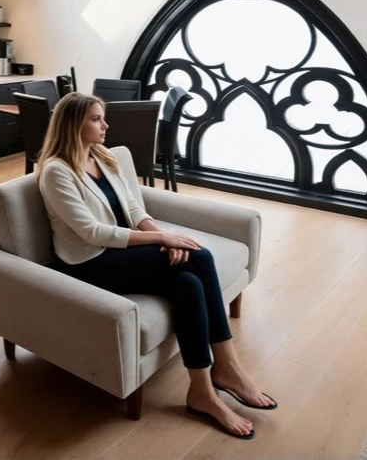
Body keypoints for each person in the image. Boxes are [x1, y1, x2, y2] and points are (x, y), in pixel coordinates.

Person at [37, 92, 276, 439]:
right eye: (96, 119)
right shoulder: (56, 172)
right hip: (89, 262)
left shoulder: (103, 156)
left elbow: (134, 209)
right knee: (200, 256)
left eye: (103, 117)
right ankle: (226, 368)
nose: (105, 125)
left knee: (188, 284)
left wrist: (160, 236)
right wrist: (162, 238)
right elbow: (91, 232)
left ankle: (202, 392)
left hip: (119, 253)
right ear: (74, 124)